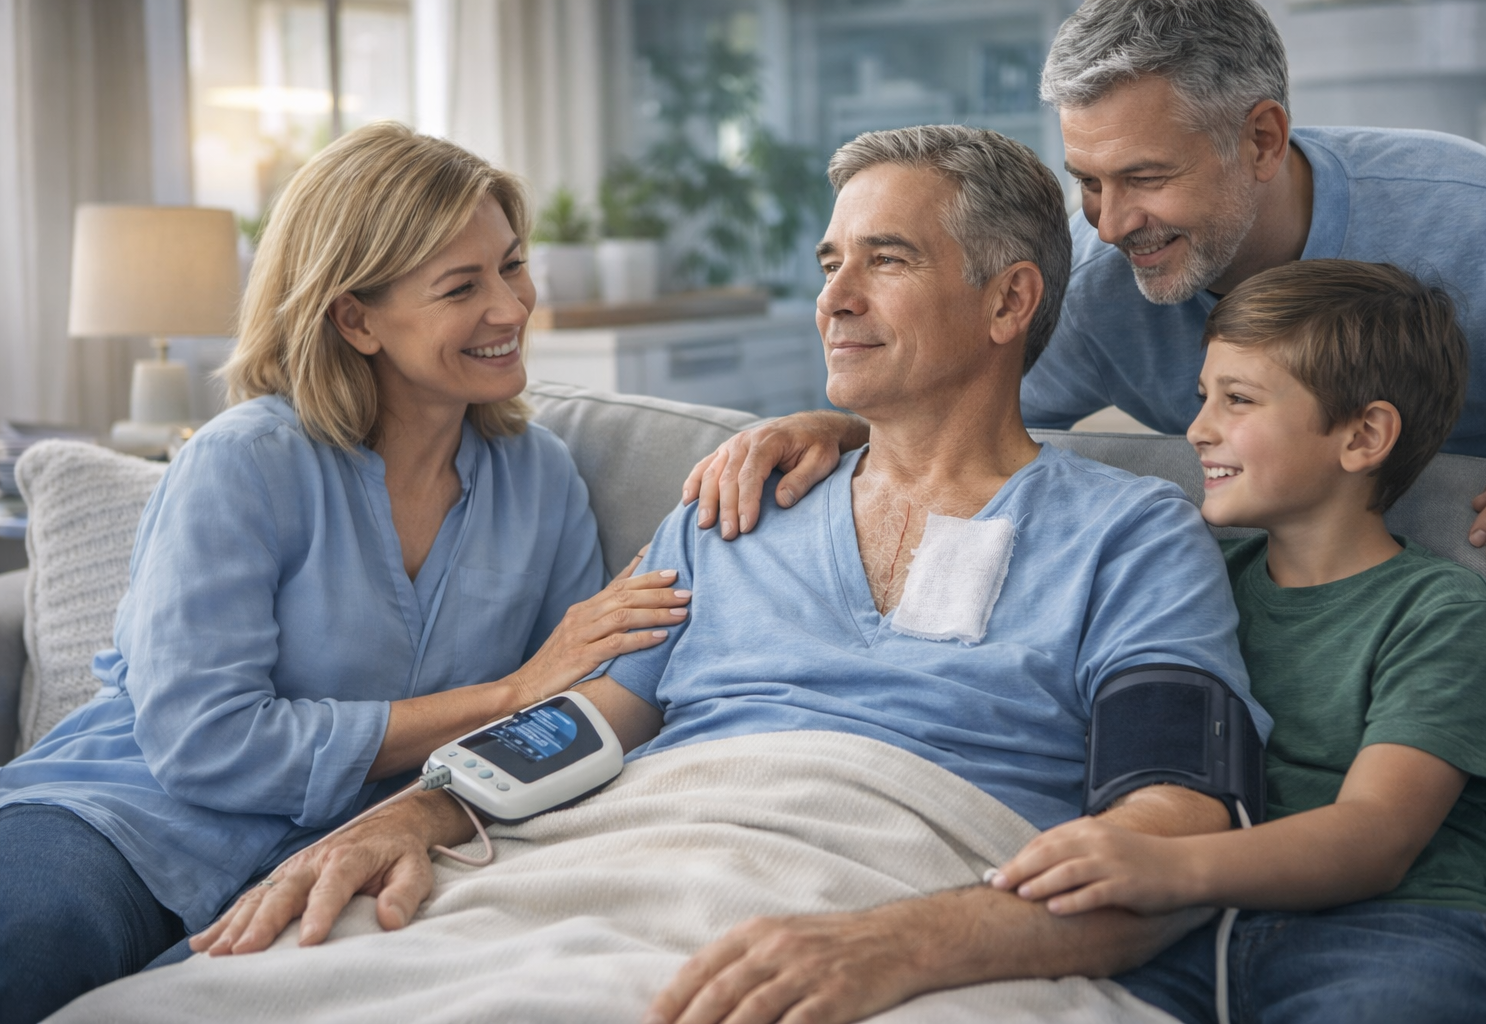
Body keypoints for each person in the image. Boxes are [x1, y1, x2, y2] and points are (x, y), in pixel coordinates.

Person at [170, 125, 1269, 1024]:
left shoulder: (1131, 535)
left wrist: (901, 944)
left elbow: (1174, 831)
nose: (836, 298)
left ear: (1008, 302)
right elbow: (587, 719)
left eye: (886, 260)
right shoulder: (735, 504)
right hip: (626, 854)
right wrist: (415, 813)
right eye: (831, 263)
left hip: (906, 885)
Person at [0, 123, 692, 1024]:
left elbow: (570, 713)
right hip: (123, 824)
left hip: (365, 846)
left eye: (512, 266)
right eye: (462, 286)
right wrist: (506, 691)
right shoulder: (244, 462)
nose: (511, 308)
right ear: (354, 318)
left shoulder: (541, 477)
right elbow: (206, 741)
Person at [684, 0, 1486, 572]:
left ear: (1263, 140)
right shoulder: (1102, 290)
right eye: (1087, 180)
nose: (1108, 222)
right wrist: (825, 425)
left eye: (1145, 177)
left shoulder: (1481, 220)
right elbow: (962, 407)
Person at [990, 260, 1486, 1023]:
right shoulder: (1187, 575)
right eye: (1202, 397)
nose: (1197, 429)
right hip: (1193, 932)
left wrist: (1161, 864)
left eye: (1237, 400)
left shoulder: (1436, 609)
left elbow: (1375, 837)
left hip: (1406, 923)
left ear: (1365, 435)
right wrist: (849, 435)